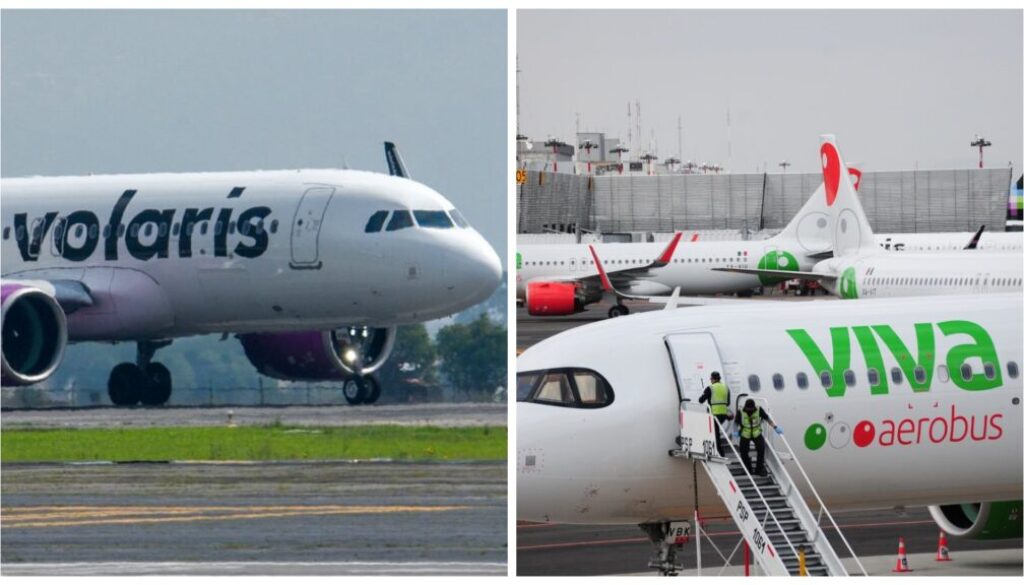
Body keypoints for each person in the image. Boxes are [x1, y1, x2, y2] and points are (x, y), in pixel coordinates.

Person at [732, 399, 781, 476]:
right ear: (746, 407)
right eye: (749, 409)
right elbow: (735, 423)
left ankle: (759, 469)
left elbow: (767, 418)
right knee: (743, 451)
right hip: (745, 433)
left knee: (761, 449)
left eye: (752, 409)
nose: (750, 410)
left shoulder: (758, 409)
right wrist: (735, 432)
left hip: (756, 433)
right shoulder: (741, 411)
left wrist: (775, 427)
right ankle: (748, 469)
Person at [698, 371, 731, 456]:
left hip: (714, 414)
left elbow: (701, 400)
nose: (710, 380)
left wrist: (705, 394)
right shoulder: (726, 387)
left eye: (711, 379)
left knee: (715, 435)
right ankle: (718, 452)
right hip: (723, 415)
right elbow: (728, 403)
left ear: (712, 379)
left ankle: (720, 454)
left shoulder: (710, 388)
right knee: (715, 433)